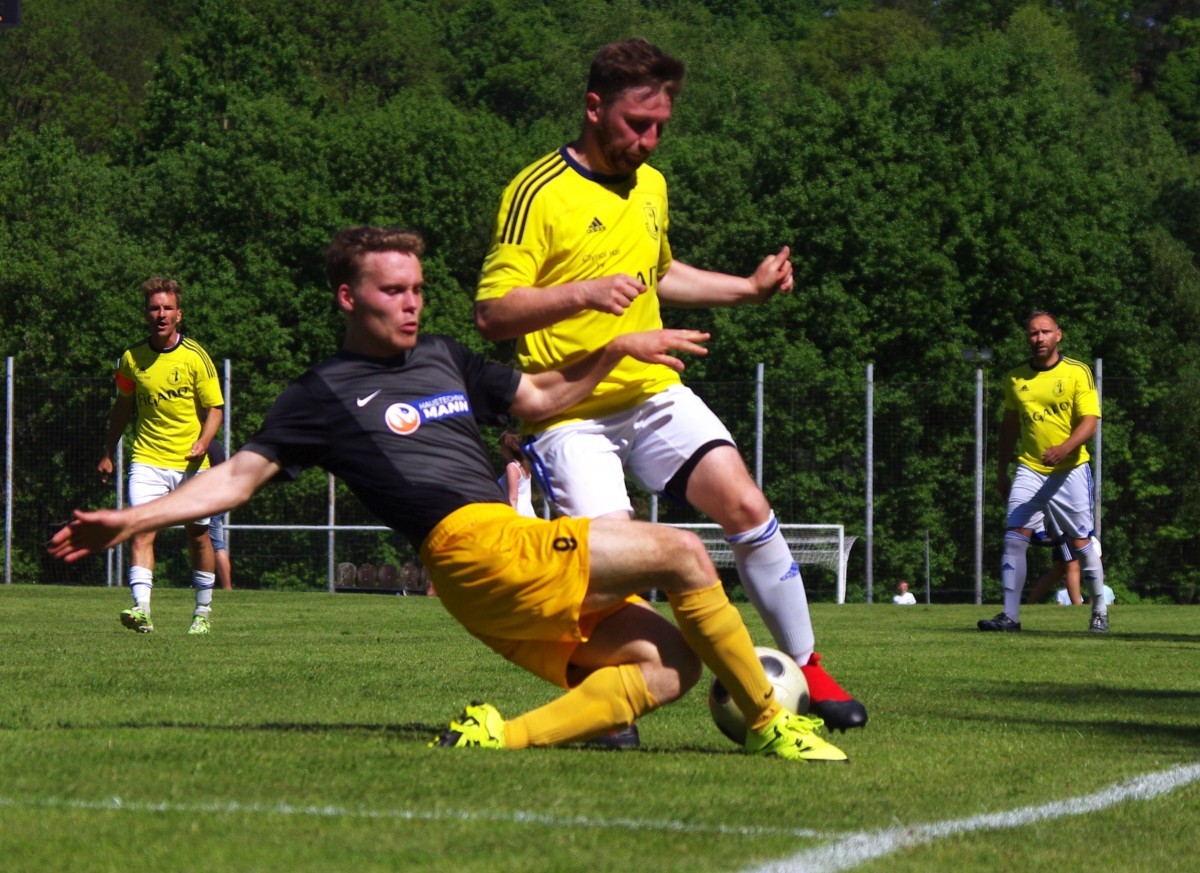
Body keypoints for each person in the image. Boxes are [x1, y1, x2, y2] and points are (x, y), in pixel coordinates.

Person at [54, 226, 847, 762]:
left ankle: (500, 736)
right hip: (470, 548)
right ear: (347, 298)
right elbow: (236, 477)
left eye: (419, 288)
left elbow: (535, 399)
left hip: (495, 564)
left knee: (669, 663)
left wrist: (615, 350)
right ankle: (778, 724)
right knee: (679, 550)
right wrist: (130, 518)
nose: (411, 302)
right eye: (393, 290)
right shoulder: (323, 392)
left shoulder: (442, 355)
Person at [474, 38, 866, 732]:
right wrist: (584, 293)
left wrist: (747, 290)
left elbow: (660, 273)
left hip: (651, 391)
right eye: (636, 124)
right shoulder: (537, 191)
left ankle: (807, 666)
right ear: (594, 108)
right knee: (617, 560)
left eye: (660, 126)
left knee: (745, 501)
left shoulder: (650, 184)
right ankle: (611, 691)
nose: (649, 141)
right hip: (566, 409)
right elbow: (493, 313)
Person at [97, 277, 224, 635]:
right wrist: (108, 451)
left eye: (167, 308)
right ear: (146, 314)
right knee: (141, 530)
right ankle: (142, 610)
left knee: (198, 536)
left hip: (190, 463)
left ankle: (202, 612)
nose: (161, 314)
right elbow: (122, 407)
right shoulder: (131, 359)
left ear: (178, 315)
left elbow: (215, 409)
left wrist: (202, 442)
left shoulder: (196, 357)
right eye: (155, 308)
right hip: (147, 459)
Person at [979, 310, 1106, 634]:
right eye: (1033, 333)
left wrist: (1065, 448)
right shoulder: (1016, 377)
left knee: (1082, 544)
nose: (1039, 338)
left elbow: (1090, 421)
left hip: (1070, 470)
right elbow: (1008, 427)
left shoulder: (1078, 372)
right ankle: (1010, 616)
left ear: (1058, 335)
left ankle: (1099, 611)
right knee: (1014, 537)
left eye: (1045, 332)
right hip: (1030, 469)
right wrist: (1001, 470)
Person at [207, 442, 234, 590]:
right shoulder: (215, 447)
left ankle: (227, 587)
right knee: (209, 544)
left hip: (213, 502)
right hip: (215, 500)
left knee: (217, 545)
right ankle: (206, 583)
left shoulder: (210, 447)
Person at [498, 430, 537, 518]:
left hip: (517, 513)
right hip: (528, 513)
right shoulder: (525, 466)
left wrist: (513, 519)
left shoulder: (512, 467)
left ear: (507, 447)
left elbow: (513, 498)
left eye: (501, 446)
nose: (500, 449)